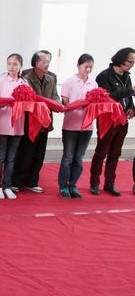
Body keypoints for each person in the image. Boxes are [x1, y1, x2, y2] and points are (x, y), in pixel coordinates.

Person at [12, 51, 61, 193]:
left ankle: (32, 181)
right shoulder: (26, 79)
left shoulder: (51, 79)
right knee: (25, 154)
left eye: (49, 62)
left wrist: (57, 104)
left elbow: (55, 96)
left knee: (39, 155)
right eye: (45, 62)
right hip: (30, 123)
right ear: (36, 63)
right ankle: (17, 181)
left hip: (45, 123)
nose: (48, 65)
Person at [90, 47, 135, 196]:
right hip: (108, 119)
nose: (132, 65)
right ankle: (94, 182)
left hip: (122, 119)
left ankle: (110, 183)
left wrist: (131, 107)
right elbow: (110, 97)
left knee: (115, 153)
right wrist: (131, 89)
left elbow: (129, 97)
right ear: (121, 59)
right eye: (130, 61)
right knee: (101, 151)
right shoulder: (104, 76)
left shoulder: (127, 76)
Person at [58, 54, 97, 199]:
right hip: (71, 125)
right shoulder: (70, 82)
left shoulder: (93, 84)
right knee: (68, 157)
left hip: (87, 126)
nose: (88, 70)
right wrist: (79, 104)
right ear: (78, 66)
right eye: (85, 67)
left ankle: (73, 185)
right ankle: (63, 186)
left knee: (79, 158)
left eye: (90, 67)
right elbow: (65, 102)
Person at [0, 54, 28, 200]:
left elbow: (29, 103)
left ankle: (7, 186)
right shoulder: (1, 81)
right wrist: (10, 101)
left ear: (21, 66)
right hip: (3, 124)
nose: (12, 67)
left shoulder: (24, 83)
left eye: (15, 64)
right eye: (9, 64)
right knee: (0, 156)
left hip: (18, 125)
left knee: (11, 158)